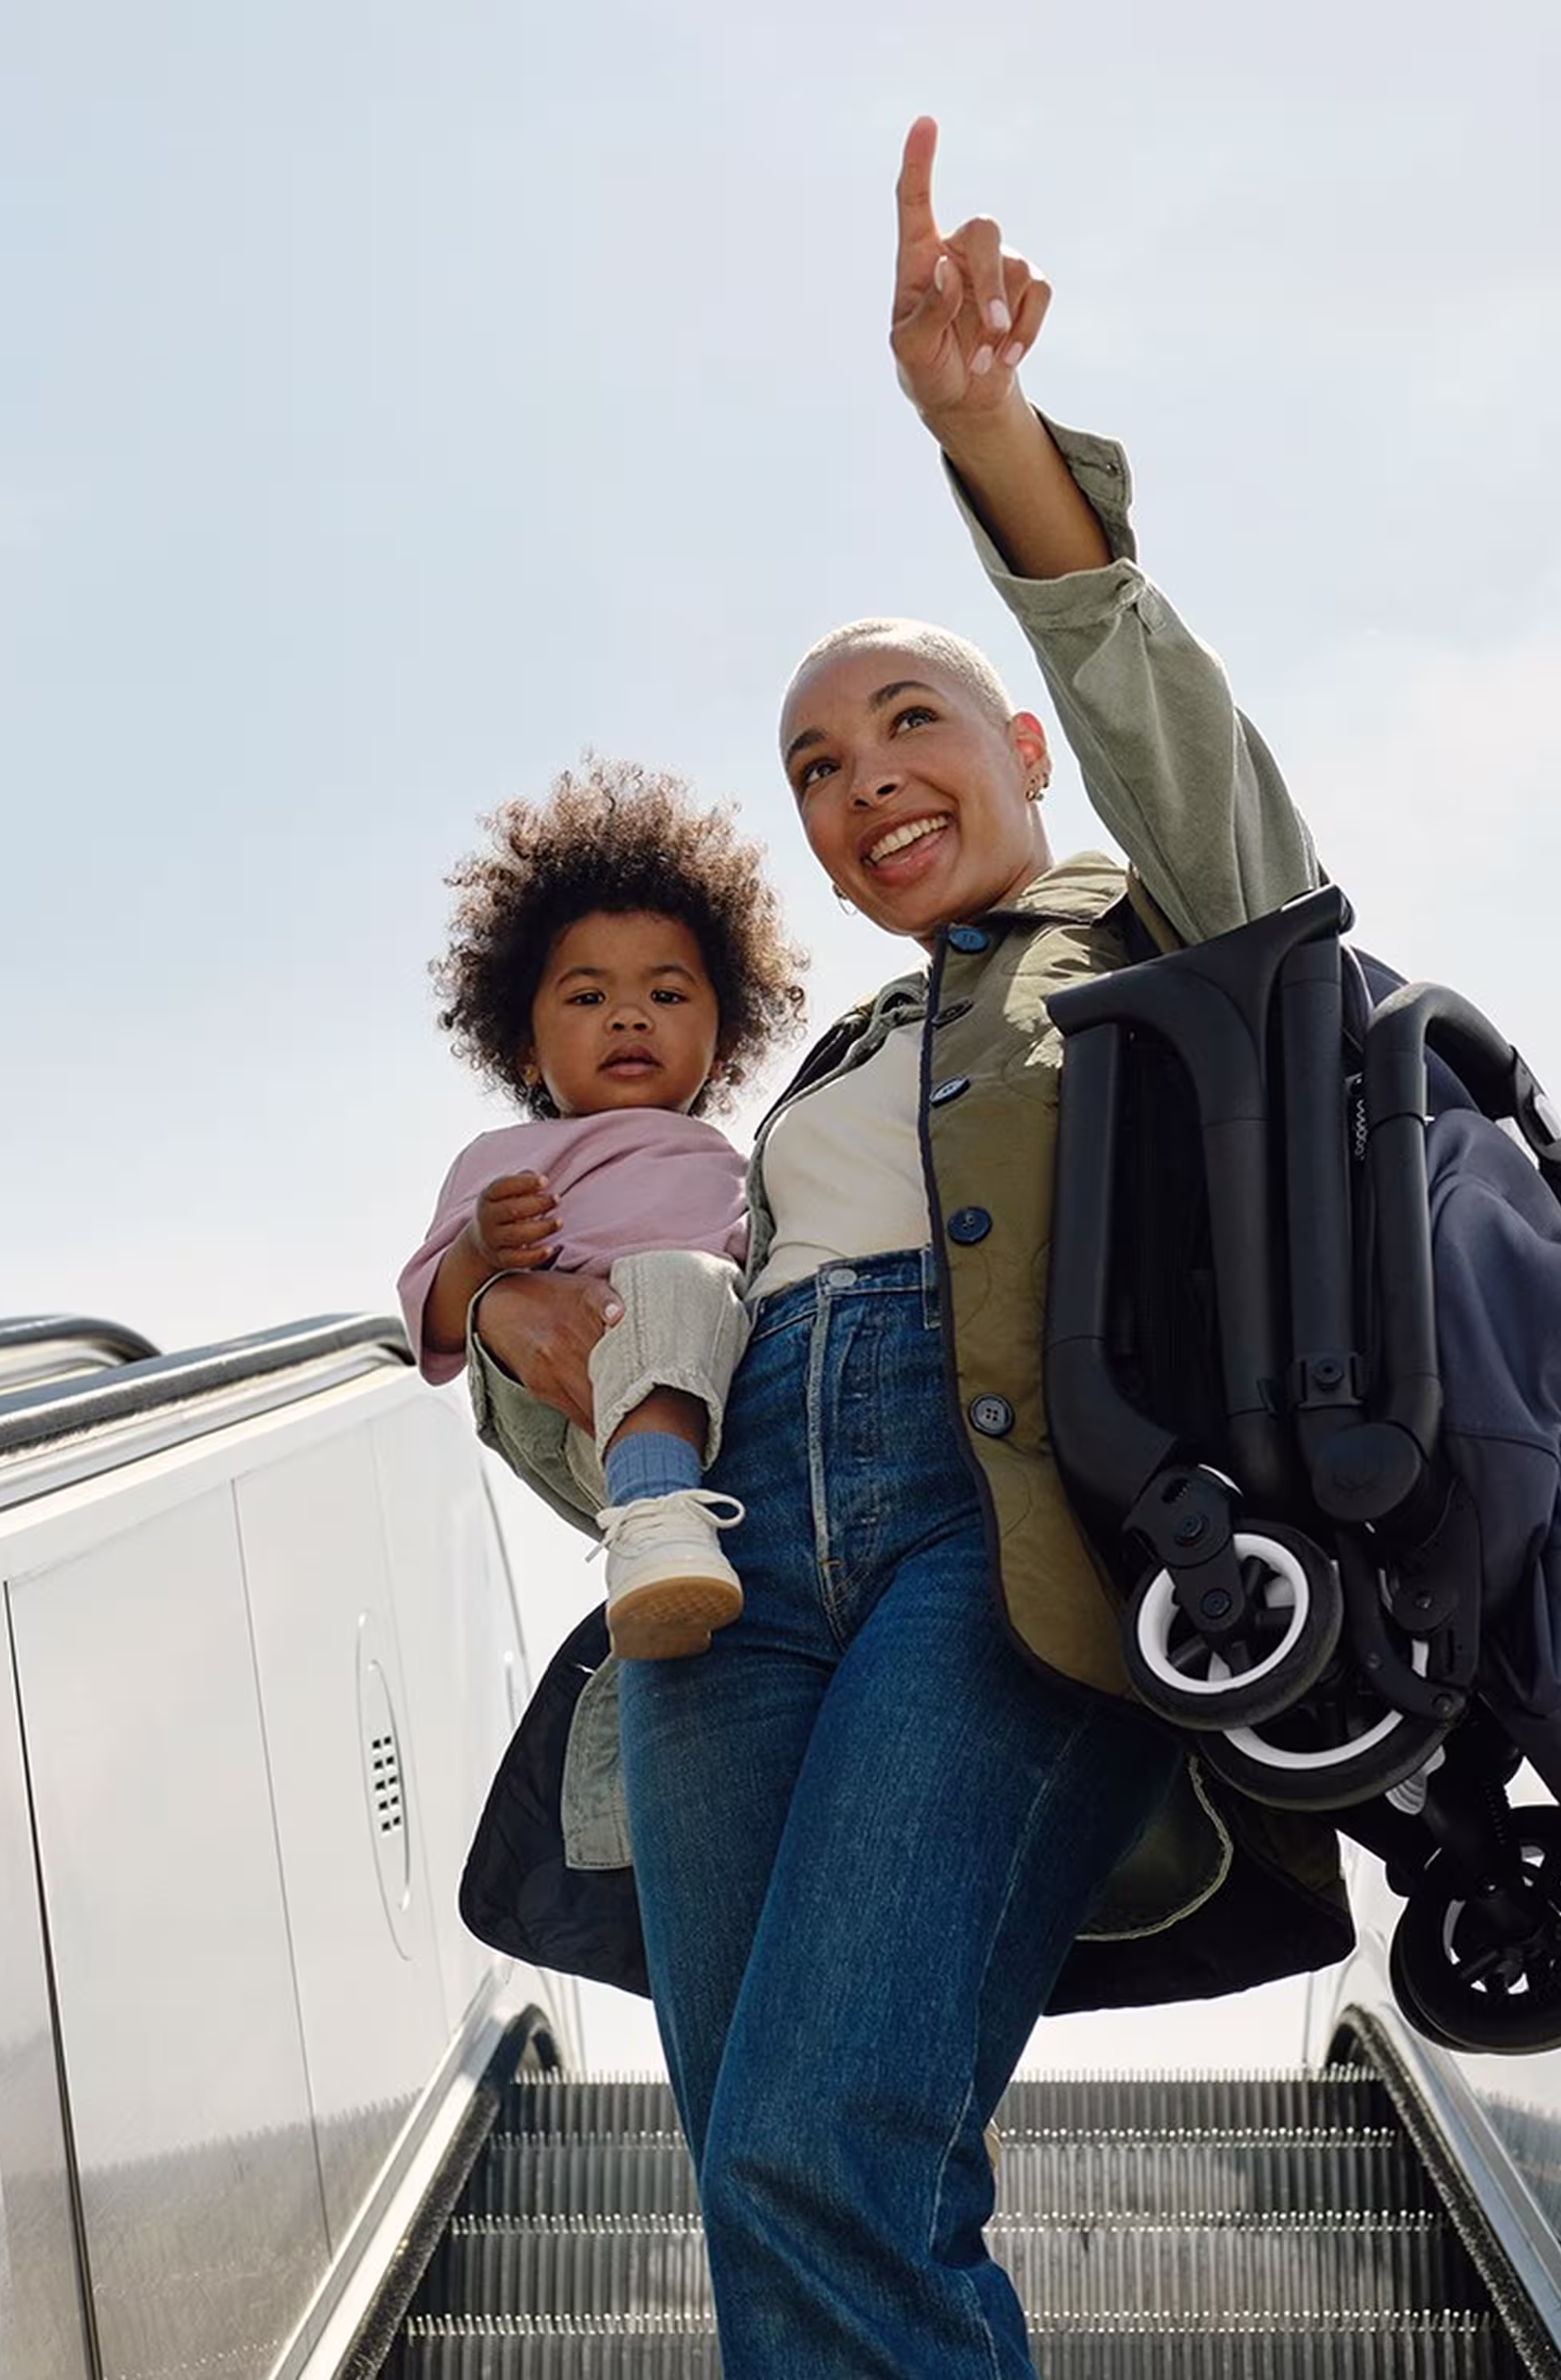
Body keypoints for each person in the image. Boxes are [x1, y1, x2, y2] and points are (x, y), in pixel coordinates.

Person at [460, 119, 1354, 2376]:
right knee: (760, 2149)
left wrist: (987, 433)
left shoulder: (1168, 926)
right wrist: (519, 1332)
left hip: (1005, 1546)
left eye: (910, 724)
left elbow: (1193, 751)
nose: (864, 782)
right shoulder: (811, 1086)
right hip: (734, 1579)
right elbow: (622, 1400)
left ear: (1024, 745)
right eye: (816, 766)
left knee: (827, 2138)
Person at [397, 758, 807, 1656]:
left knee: (707, 1292)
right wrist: (479, 1248)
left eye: (665, 995)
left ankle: (677, 1560)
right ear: (526, 1047)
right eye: (588, 997)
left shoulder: (750, 1160)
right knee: (666, 1283)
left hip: (728, 1403)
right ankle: (654, 1523)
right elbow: (429, 1318)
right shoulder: (509, 1159)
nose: (628, 1017)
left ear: (723, 1036)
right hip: (590, 1408)